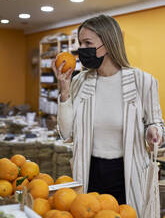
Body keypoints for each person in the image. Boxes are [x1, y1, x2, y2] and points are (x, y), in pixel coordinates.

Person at [52, 15, 164, 217]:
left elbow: (155, 123)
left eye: (88, 43)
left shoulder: (143, 81)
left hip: (128, 176)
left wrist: (154, 132)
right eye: (80, 43)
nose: (82, 49)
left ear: (109, 43)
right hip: (90, 171)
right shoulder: (79, 82)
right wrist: (65, 90)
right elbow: (66, 134)